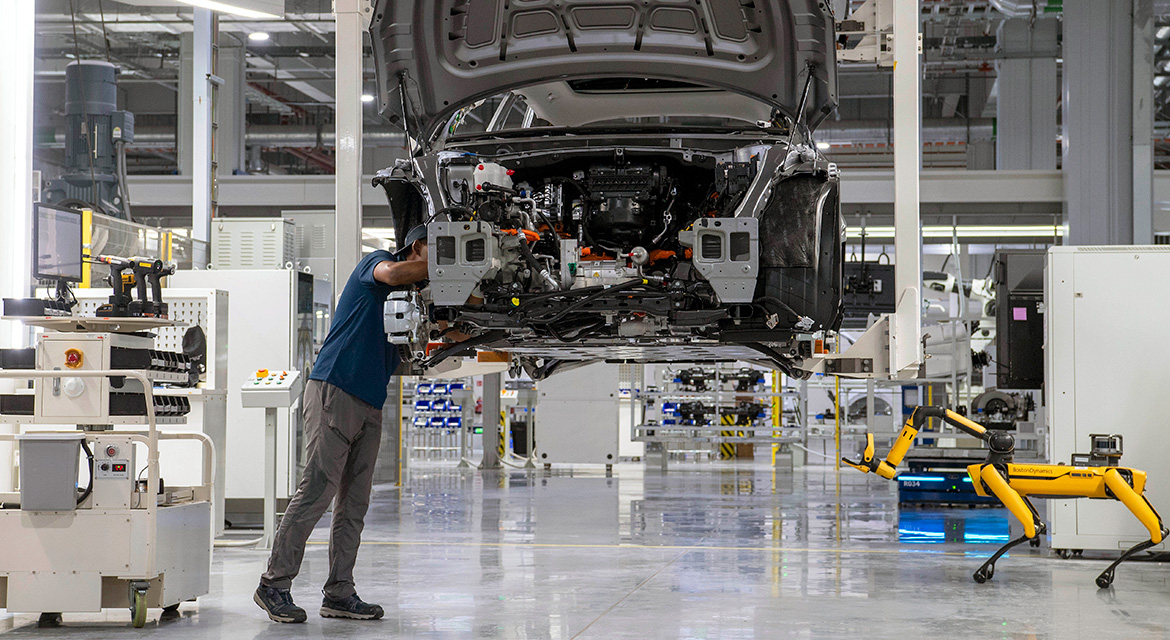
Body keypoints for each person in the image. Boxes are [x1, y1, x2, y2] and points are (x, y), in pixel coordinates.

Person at [254, 224, 430, 623]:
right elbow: (398, 273)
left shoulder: (412, 297)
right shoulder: (378, 265)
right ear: (418, 247)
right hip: (335, 388)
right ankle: (273, 584)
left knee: (354, 503)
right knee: (317, 489)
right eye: (437, 251)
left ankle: (339, 591)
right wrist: (450, 267)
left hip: (370, 401)